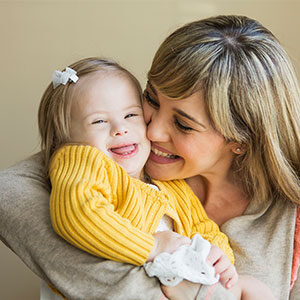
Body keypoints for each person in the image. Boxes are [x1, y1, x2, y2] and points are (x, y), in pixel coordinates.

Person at [0, 15, 299, 300]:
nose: (151, 130)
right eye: (151, 99)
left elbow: (204, 235)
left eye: (182, 124)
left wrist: (218, 265)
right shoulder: (109, 159)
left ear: (240, 140)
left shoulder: (287, 218)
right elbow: (11, 191)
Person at [43, 58, 235, 292]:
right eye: (99, 121)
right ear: (67, 139)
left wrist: (219, 257)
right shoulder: (83, 161)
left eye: (131, 115)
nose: (120, 129)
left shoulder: (169, 185)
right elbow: (79, 213)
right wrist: (152, 247)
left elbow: (201, 226)